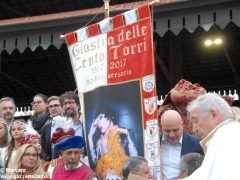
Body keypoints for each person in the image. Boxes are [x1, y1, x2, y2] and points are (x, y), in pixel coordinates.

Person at [182, 93, 240, 179]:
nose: (194, 129)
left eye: (196, 121)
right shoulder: (224, 136)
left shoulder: (228, 138)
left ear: (214, 115)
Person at [160, 110, 203, 180]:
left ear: (182, 125)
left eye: (175, 130)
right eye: (167, 131)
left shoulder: (197, 145)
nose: (172, 135)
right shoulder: (153, 144)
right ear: (161, 127)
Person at [40, 96, 63, 161]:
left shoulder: (70, 122)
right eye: (51, 106)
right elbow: (41, 146)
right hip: (51, 163)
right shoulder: (45, 127)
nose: (53, 108)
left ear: (62, 107)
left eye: (56, 105)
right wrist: (46, 158)